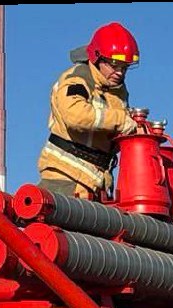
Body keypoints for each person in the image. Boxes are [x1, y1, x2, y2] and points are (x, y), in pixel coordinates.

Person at [37, 22, 141, 200]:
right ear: (97, 57)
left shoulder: (117, 91)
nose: (120, 72)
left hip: (95, 181)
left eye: (125, 67)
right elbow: (75, 115)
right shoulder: (77, 80)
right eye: (114, 64)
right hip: (65, 177)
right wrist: (121, 120)